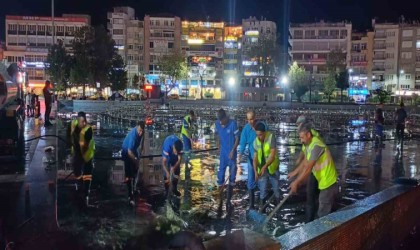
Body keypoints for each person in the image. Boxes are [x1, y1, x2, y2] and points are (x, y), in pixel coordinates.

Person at [289, 123, 338, 221]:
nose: (301, 140)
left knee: (323, 212)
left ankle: (322, 233)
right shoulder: (308, 145)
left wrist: (297, 182)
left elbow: (308, 168)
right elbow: (305, 162)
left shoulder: (316, 145)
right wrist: (294, 173)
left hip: (328, 181)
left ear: (308, 135)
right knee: (322, 206)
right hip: (323, 180)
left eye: (302, 137)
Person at [239, 110, 266, 210]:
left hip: (262, 158)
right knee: (251, 180)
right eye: (248, 119)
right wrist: (240, 155)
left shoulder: (262, 126)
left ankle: (262, 203)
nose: (250, 121)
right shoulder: (246, 129)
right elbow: (242, 143)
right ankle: (251, 205)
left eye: (252, 119)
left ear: (256, 117)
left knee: (262, 180)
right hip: (252, 158)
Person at [215, 108, 239, 215]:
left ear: (226, 117)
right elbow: (218, 135)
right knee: (220, 174)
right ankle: (220, 198)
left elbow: (237, 138)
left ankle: (228, 200)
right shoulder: (217, 124)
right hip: (223, 154)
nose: (221, 123)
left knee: (232, 176)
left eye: (222, 121)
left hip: (231, 153)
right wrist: (219, 146)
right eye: (219, 121)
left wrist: (233, 150)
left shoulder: (233, 124)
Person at [68, 112, 95, 206]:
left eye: (82, 122)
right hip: (77, 153)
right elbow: (72, 124)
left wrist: (80, 155)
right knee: (77, 171)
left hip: (87, 154)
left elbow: (85, 147)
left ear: (85, 122)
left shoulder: (88, 130)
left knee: (87, 174)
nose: (80, 123)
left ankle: (86, 193)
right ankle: (79, 186)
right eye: (79, 121)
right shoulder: (75, 123)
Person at [253, 122, 280, 209]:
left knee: (276, 188)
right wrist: (255, 172)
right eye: (257, 135)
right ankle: (262, 208)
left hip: (272, 168)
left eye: (260, 135)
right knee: (262, 190)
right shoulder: (256, 141)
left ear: (264, 132)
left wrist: (265, 166)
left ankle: (277, 207)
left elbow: (272, 155)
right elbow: (255, 158)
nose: (259, 137)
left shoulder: (271, 137)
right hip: (262, 169)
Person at [121, 121, 145, 206]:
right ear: (136, 127)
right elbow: (129, 152)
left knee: (136, 169)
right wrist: (136, 160)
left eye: (142, 131)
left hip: (133, 150)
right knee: (129, 174)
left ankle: (134, 188)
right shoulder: (133, 136)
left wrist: (141, 151)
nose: (140, 133)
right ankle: (130, 196)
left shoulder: (142, 132)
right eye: (139, 131)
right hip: (126, 151)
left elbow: (142, 142)